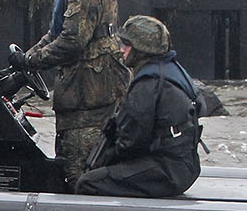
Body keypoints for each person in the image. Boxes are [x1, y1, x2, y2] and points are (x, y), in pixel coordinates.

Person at [8, 0, 127, 182]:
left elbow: (73, 40)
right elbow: (56, 32)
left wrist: (33, 62)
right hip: (84, 90)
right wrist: (27, 57)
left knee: (78, 169)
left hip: (90, 94)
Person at [75, 15, 202, 198]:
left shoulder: (147, 84)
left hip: (167, 170)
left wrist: (105, 161)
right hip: (183, 166)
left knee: (88, 183)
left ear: (141, 49)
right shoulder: (168, 72)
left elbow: (131, 144)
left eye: (126, 44)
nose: (121, 49)